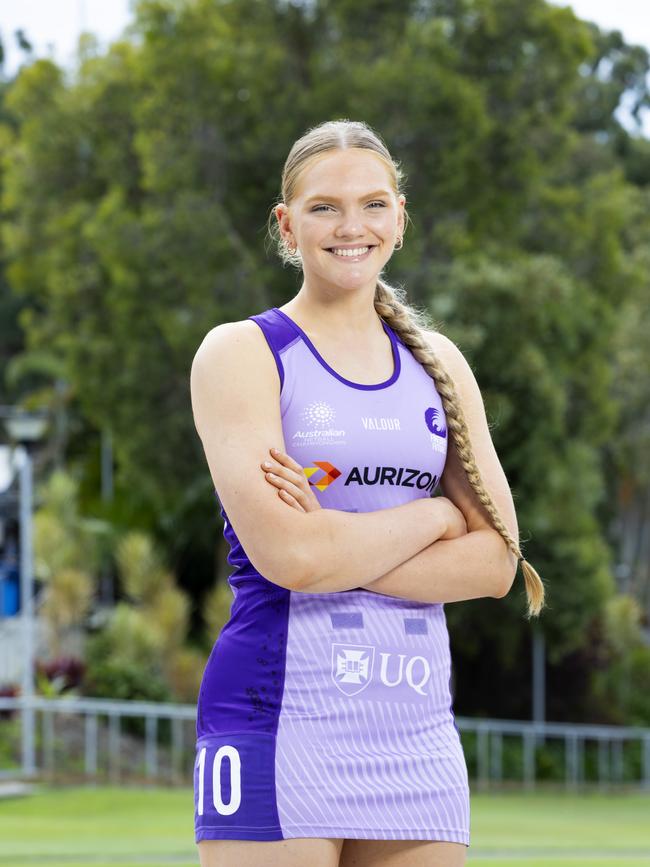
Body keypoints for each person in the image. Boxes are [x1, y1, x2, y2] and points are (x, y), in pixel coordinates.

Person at [189, 118, 546, 867]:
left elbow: (494, 564)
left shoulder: (438, 363)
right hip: (278, 712)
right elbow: (290, 557)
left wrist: (336, 546)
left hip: (414, 728)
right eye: (324, 207)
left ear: (400, 217)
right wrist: (437, 513)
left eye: (374, 204)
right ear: (287, 225)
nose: (352, 226)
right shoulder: (243, 353)